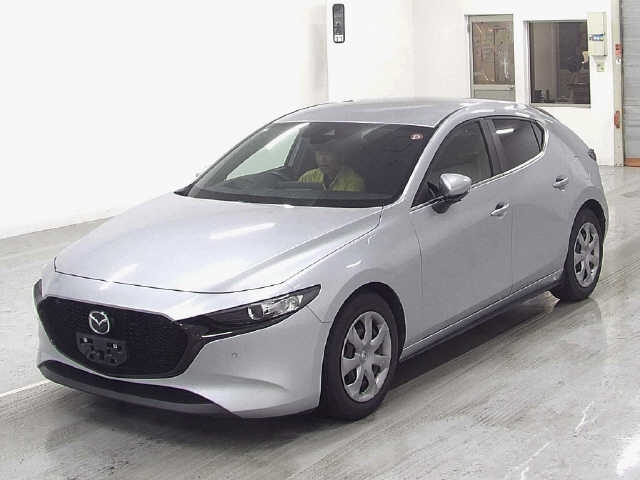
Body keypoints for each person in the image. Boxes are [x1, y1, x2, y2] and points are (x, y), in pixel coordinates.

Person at [298, 149, 365, 192]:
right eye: (319, 154)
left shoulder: (353, 182)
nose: (322, 159)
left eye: (327, 154)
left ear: (340, 156)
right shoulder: (307, 178)